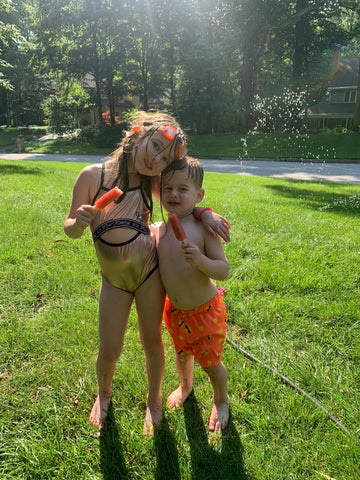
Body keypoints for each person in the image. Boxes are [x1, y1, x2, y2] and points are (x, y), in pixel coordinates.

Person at [64, 112, 230, 435]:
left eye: (163, 159)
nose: (154, 160)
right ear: (137, 133)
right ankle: (104, 394)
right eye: (154, 146)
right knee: (109, 348)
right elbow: (69, 227)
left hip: (148, 273)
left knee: (152, 341)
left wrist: (205, 213)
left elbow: (179, 198)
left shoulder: (150, 182)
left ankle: (154, 402)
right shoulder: (92, 177)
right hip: (114, 279)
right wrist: (77, 223)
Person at [156, 156, 230, 431]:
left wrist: (200, 260)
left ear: (198, 195)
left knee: (211, 364)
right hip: (174, 312)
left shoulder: (204, 228)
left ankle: (221, 400)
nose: (174, 194)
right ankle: (185, 386)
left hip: (204, 312)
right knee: (183, 354)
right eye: (168, 188)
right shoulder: (161, 229)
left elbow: (222, 270)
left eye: (182, 189)